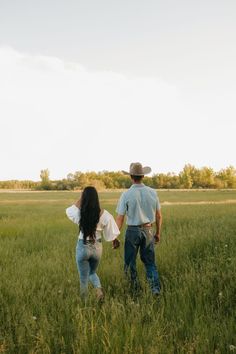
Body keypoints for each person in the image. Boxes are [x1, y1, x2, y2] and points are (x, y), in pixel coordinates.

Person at [66, 186, 120, 300]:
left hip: (83, 246)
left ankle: (84, 303)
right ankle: (98, 289)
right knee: (92, 272)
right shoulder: (105, 214)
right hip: (97, 248)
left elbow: (69, 211)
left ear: (83, 198)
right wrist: (115, 240)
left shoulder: (80, 213)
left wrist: (81, 198)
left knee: (83, 278)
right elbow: (112, 232)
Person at [116, 162, 162, 295]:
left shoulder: (126, 194)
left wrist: (115, 236)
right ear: (143, 176)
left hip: (132, 231)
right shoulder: (153, 193)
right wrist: (157, 233)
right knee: (150, 263)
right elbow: (158, 216)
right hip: (148, 230)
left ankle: (135, 291)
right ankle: (155, 289)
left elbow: (120, 218)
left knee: (130, 263)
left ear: (131, 176)